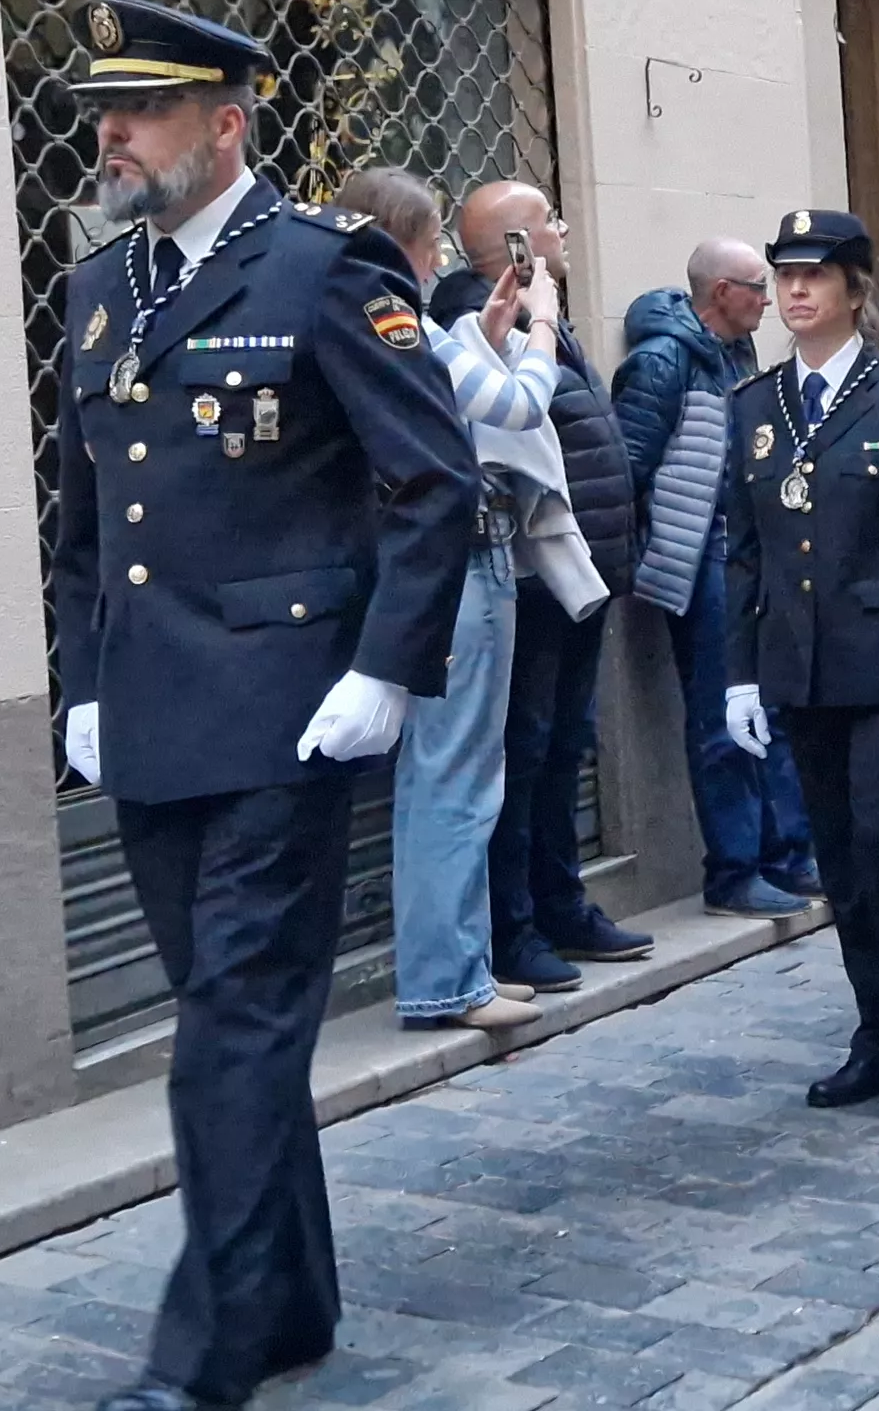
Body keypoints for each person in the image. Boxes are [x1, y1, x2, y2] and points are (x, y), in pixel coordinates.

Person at [42, 0, 480, 1410]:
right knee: (233, 1021)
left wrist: (384, 667)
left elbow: (435, 480)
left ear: (226, 125)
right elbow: (84, 518)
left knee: (230, 1029)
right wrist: (83, 683)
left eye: (144, 110)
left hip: (290, 712)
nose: (113, 133)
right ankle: (286, 1300)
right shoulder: (98, 287)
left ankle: (203, 1352)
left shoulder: (323, 269)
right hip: (152, 714)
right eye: (105, 111)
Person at [719, 208, 879, 1136]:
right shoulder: (756, 405)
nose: (795, 290)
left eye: (816, 275)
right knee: (841, 858)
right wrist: (740, 674)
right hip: (803, 667)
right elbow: (744, 551)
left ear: (853, 288)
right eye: (784, 275)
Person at [343, 169, 557, 1035]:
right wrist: (543, 324)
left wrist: (487, 331)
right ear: (404, 244)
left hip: (445, 561)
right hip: (463, 560)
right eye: (431, 245)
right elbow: (516, 404)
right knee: (455, 775)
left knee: (450, 771)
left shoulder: (399, 325)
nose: (438, 263)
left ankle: (458, 969)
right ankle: (448, 980)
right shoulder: (397, 321)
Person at [430, 182, 655, 992]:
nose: (563, 228)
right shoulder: (477, 318)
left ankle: (563, 905)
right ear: (519, 244)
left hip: (575, 567)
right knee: (522, 752)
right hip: (524, 571)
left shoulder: (543, 307)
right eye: (550, 219)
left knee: (564, 744)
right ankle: (512, 926)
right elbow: (512, 423)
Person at [615, 243, 821, 919]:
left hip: (751, 552)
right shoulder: (663, 360)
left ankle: (785, 855)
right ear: (723, 292)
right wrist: (650, 553)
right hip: (703, 556)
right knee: (721, 716)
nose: (770, 298)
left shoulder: (738, 353)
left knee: (771, 709)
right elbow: (628, 466)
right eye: (759, 286)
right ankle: (734, 872)